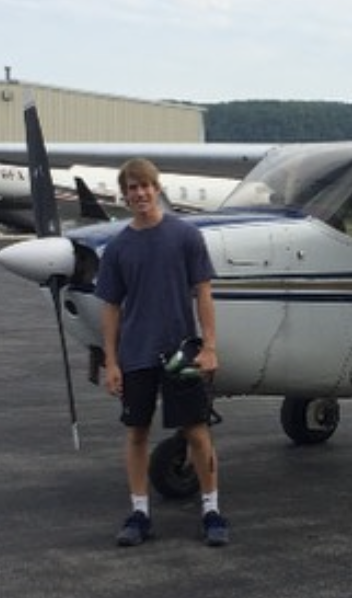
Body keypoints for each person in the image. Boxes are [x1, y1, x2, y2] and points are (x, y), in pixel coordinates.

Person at [94, 157, 228, 547]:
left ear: (157, 188)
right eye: (132, 188)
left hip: (180, 353)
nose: (139, 193)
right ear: (125, 196)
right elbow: (111, 307)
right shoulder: (118, 248)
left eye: (145, 186)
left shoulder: (185, 236)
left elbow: (203, 292)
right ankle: (140, 513)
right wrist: (112, 362)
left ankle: (212, 510)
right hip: (136, 353)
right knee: (137, 433)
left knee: (197, 432)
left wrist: (209, 346)